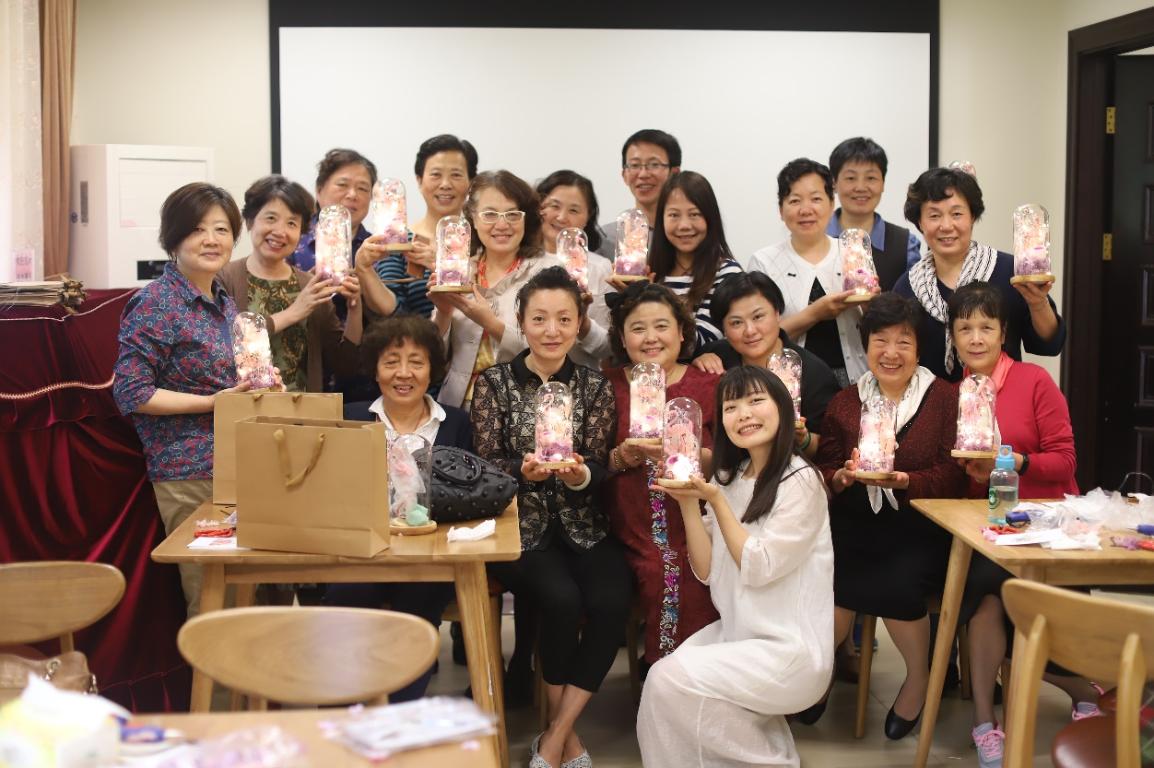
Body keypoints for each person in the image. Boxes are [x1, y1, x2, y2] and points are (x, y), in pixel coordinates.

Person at [471, 267, 631, 768]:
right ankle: (568, 739)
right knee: (561, 601)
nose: (551, 330)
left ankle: (557, 733)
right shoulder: (493, 383)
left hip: (585, 526)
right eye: (539, 318)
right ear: (521, 322)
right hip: (520, 530)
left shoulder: (594, 385)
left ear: (580, 323)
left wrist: (580, 475)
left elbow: (599, 463)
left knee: (612, 600)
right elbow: (486, 463)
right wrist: (521, 472)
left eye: (564, 318)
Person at [636, 366, 834, 767]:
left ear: (782, 408)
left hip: (790, 649)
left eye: (756, 401)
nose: (744, 414)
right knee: (663, 683)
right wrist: (689, 504)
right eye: (731, 407)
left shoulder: (801, 481)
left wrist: (716, 500)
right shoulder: (733, 476)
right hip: (740, 633)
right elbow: (707, 570)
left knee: (670, 680)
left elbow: (759, 566)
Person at [947, 281, 1097, 767]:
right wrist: (973, 475)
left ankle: (1084, 688)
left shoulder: (1034, 381)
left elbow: (1066, 460)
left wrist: (1016, 462)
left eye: (985, 327)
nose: (975, 338)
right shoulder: (953, 393)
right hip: (992, 532)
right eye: (964, 328)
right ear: (952, 337)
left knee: (1009, 595)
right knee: (986, 593)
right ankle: (985, 722)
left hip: (1049, 528)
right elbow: (963, 480)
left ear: (1003, 333)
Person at [810, 292, 966, 738]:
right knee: (828, 583)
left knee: (899, 584)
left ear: (919, 349)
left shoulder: (944, 399)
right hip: (855, 524)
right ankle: (817, 676)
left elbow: (952, 474)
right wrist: (841, 477)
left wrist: (905, 481)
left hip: (920, 528)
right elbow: (826, 466)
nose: (891, 352)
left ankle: (918, 678)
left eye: (903, 341)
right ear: (866, 346)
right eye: (880, 340)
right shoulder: (846, 401)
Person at [113, 182, 252, 617]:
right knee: (213, 598)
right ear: (173, 237)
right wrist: (214, 403)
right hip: (188, 471)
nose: (211, 239)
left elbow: (225, 380)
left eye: (222, 229)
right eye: (197, 229)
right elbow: (132, 392)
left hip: (236, 464)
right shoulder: (157, 302)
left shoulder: (223, 300)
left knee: (246, 601)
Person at [323, 315, 471, 702]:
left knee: (419, 605)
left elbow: (469, 495)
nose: (403, 373)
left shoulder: (455, 423)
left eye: (416, 362)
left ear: (432, 371)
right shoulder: (349, 417)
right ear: (375, 370)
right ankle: (346, 710)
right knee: (346, 597)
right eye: (391, 362)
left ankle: (399, 714)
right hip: (363, 554)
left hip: (432, 558)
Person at [604, 281, 720, 667]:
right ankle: (665, 677)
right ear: (623, 338)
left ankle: (694, 676)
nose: (651, 337)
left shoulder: (709, 384)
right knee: (661, 569)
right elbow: (595, 461)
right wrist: (624, 455)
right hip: (628, 522)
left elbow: (730, 461)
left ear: (682, 332)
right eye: (638, 328)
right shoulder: (607, 384)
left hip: (698, 520)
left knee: (696, 571)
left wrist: (688, 454)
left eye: (662, 326)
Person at [894, 166, 1066, 382]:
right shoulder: (908, 286)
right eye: (934, 215)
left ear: (972, 216)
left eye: (957, 214)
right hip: (932, 401)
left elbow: (1049, 344)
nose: (946, 226)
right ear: (920, 222)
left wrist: (1038, 303)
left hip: (1002, 397)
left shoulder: (1011, 271)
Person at [218, 175, 363, 392]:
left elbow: (344, 365)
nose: (280, 231)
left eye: (292, 223)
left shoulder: (310, 285)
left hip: (302, 409)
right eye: (271, 218)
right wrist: (294, 312)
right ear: (249, 221)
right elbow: (221, 347)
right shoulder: (224, 278)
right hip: (243, 407)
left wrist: (355, 308)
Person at [693, 271, 840, 458]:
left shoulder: (813, 373)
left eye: (758, 317)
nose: (750, 331)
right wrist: (697, 364)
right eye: (736, 323)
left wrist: (803, 439)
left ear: (777, 314)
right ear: (724, 329)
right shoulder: (717, 357)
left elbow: (828, 449)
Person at [749, 158, 867, 387]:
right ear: (781, 210)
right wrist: (815, 313)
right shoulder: (763, 262)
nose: (805, 210)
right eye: (794, 200)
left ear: (831, 204)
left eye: (816, 199)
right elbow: (757, 336)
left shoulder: (853, 252)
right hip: (787, 383)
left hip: (855, 381)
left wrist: (871, 302)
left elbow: (875, 326)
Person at [371, 134, 479, 319]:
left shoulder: (484, 239)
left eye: (456, 175)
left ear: (471, 182)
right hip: (417, 336)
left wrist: (441, 265)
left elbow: (494, 298)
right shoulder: (401, 242)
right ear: (419, 180)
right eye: (436, 174)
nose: (445, 184)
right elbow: (393, 310)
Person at [634, 171, 744, 351]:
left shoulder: (727, 273)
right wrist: (629, 297)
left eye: (694, 214)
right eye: (674, 215)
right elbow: (629, 338)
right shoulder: (649, 272)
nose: (684, 225)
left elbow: (702, 342)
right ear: (661, 220)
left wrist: (655, 296)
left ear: (710, 218)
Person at [825, 136, 922, 280]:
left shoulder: (905, 244)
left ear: (883, 183)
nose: (860, 187)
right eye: (850, 178)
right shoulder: (816, 237)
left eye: (870, 178)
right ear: (834, 183)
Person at [537, 169, 614, 336]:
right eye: (554, 206)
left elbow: (608, 342)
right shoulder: (519, 259)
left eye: (573, 210)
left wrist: (584, 324)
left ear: (588, 217)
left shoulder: (600, 267)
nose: (561, 217)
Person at [594, 129, 682, 259]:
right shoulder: (606, 238)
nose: (643, 174)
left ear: (674, 173)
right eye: (635, 165)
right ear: (624, 175)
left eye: (654, 165)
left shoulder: (687, 234)